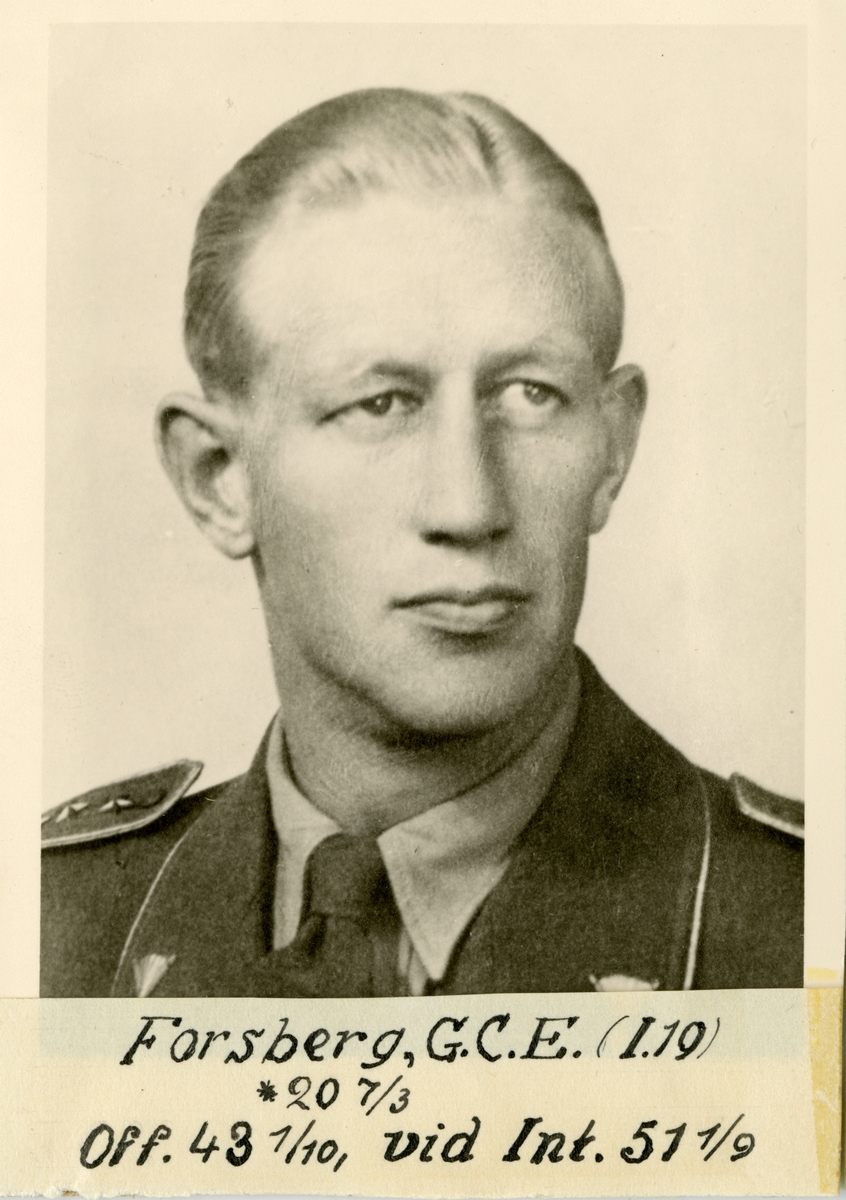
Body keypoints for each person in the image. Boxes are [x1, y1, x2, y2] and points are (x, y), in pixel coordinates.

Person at [41, 88, 803, 999]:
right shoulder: (53, 926)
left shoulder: (799, 926)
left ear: (612, 449)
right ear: (219, 477)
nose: (468, 506)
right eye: (382, 404)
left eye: (530, 395)